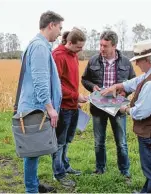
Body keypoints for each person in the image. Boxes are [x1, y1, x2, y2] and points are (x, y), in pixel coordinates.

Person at [101, 39, 151, 193]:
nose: (136, 64)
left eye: (138, 61)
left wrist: (124, 108)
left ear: (147, 60)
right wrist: (117, 86)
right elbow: (134, 82)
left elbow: (141, 112)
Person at [16, 11, 64, 193]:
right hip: (34, 109)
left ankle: (34, 185)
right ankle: (31, 190)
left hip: (35, 107)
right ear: (51, 25)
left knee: (33, 151)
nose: (60, 33)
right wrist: (50, 108)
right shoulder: (39, 47)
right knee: (32, 152)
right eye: (59, 28)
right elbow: (40, 80)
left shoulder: (39, 45)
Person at [81, 30, 136, 178]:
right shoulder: (93, 60)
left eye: (105, 46)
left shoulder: (125, 62)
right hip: (98, 107)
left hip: (118, 107)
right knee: (99, 142)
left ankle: (124, 172)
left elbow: (133, 81)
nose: (101, 49)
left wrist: (125, 92)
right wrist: (93, 87)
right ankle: (100, 170)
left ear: (114, 46)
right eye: (100, 45)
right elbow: (84, 79)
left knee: (122, 142)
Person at [52, 28, 88, 187]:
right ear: (69, 42)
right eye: (78, 47)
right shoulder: (58, 56)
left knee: (67, 140)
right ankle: (58, 173)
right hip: (63, 107)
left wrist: (77, 99)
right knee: (59, 142)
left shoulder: (74, 56)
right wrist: (74, 96)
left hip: (73, 106)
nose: (81, 50)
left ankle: (65, 166)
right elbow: (56, 84)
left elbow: (70, 82)